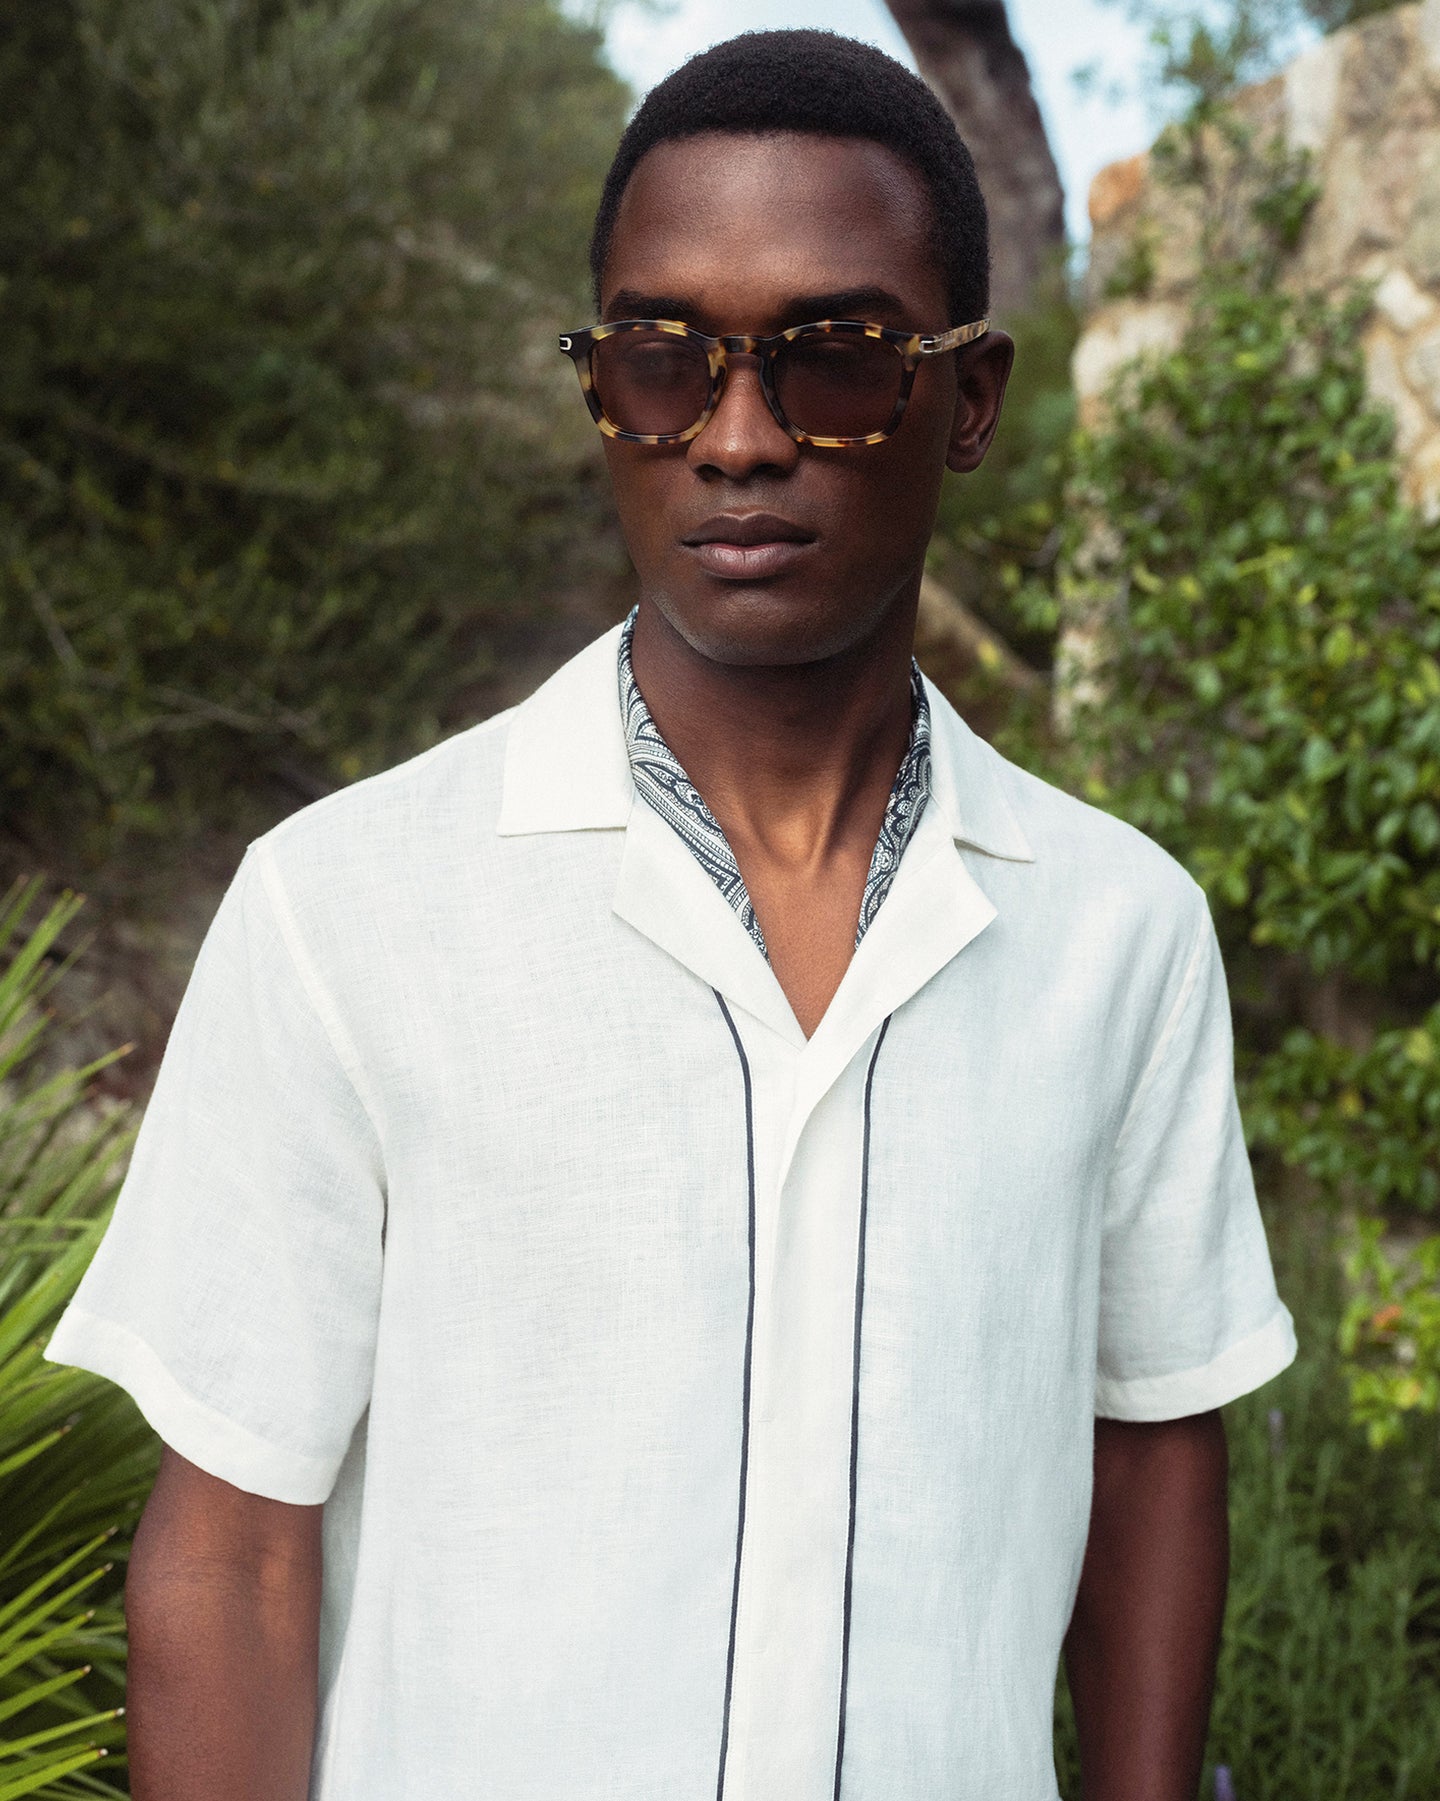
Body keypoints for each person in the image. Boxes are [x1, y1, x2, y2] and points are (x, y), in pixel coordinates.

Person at [46, 29, 1296, 1801]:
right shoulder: (347, 908)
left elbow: (1156, 1438)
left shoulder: (1121, 932)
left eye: (836, 357)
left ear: (975, 395)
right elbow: (231, 1555)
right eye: (661, 354)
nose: (734, 435)